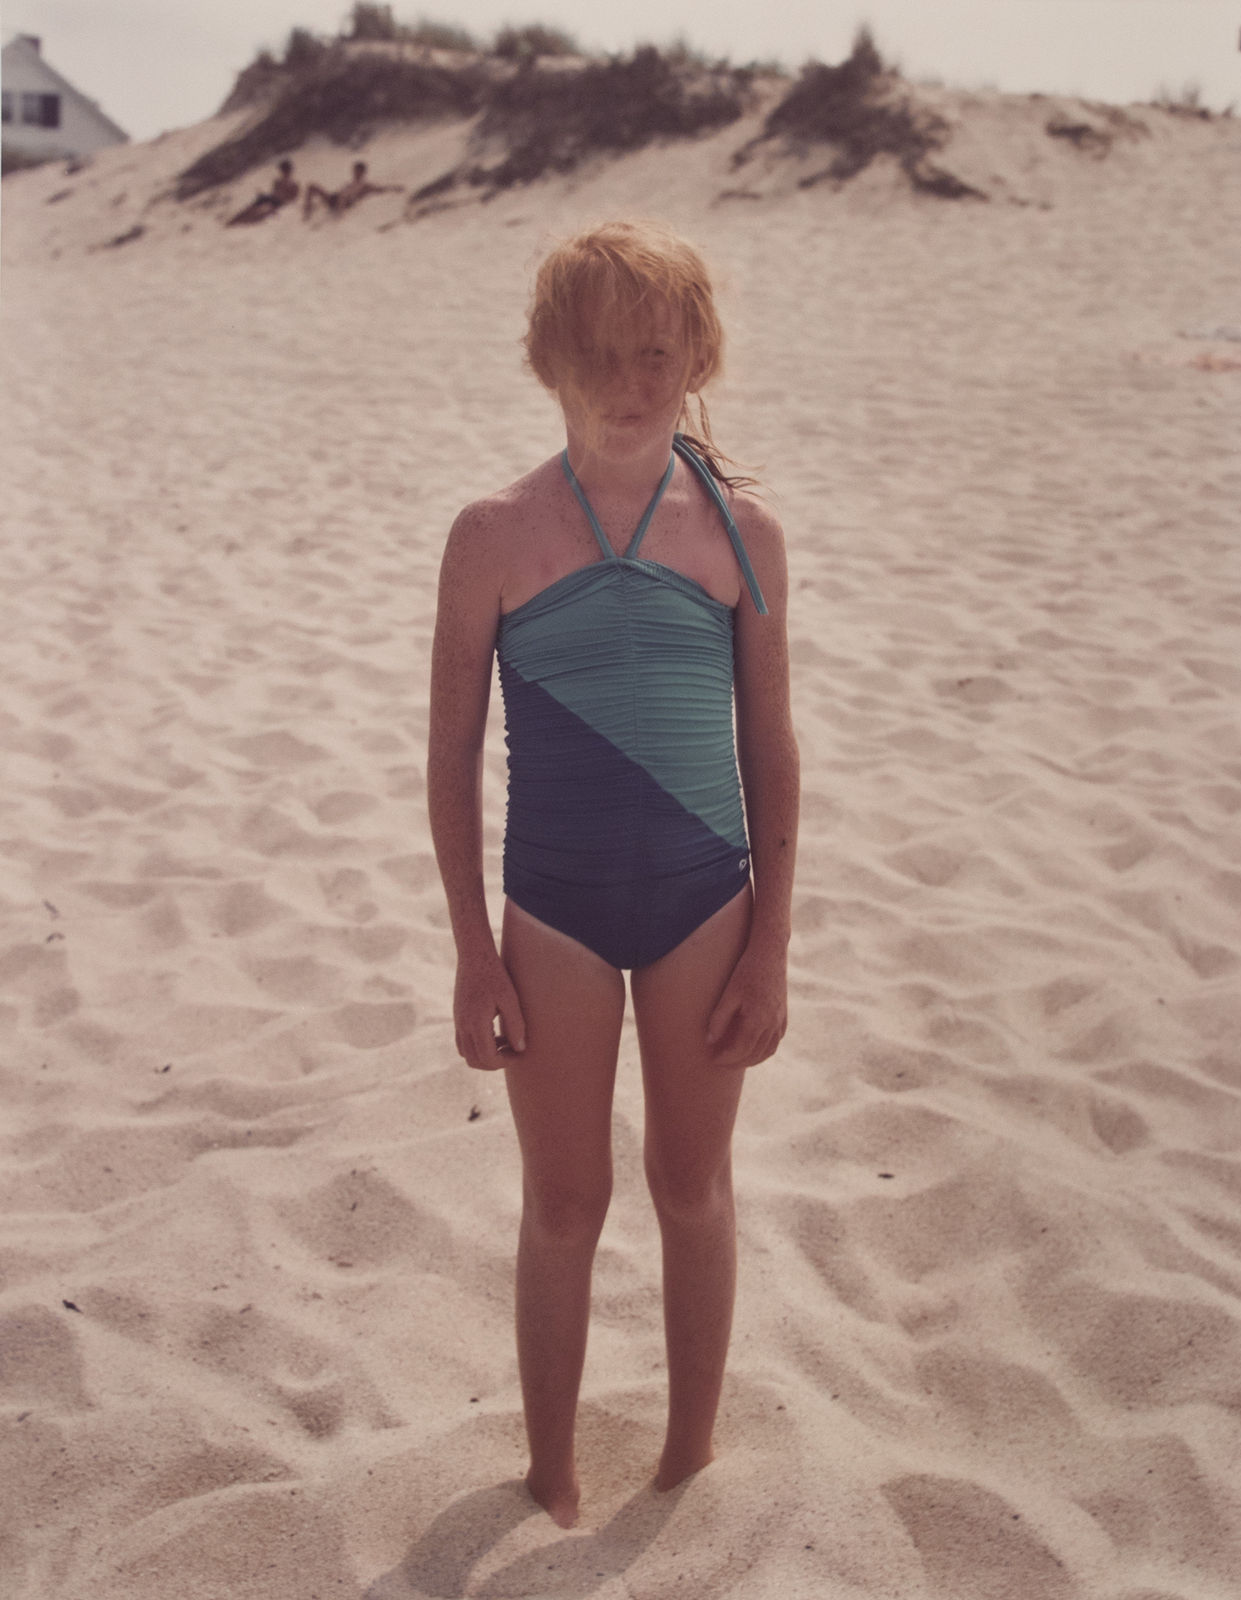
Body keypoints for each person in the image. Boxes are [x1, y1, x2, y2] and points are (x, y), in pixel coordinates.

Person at [427, 220, 799, 1529]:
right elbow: (451, 756)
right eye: (604, 358)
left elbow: (770, 744)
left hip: (707, 900)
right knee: (563, 1200)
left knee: (690, 1185)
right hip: (553, 914)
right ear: (548, 364)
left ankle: (688, 1456)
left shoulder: (742, 533)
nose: (635, 382)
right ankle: (549, 1474)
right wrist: (474, 948)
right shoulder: (493, 535)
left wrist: (770, 945)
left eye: (659, 354)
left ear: (697, 355)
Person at [302, 160, 402, 219]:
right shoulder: (349, 183)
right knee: (312, 186)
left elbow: (380, 189)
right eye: (354, 171)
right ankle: (307, 211)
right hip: (335, 198)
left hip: (347, 202)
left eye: (358, 171)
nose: (355, 173)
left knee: (343, 196)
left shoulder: (365, 185)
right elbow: (339, 192)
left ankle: (337, 216)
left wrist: (394, 188)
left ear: (363, 173)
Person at [225, 159, 298, 226]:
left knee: (261, 204)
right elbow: (274, 192)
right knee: (259, 200)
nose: (283, 173)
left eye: (285, 171)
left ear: (289, 171)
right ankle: (235, 219)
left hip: (280, 202)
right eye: (283, 171)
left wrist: (282, 200)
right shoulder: (277, 181)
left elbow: (293, 198)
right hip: (274, 199)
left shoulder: (293, 184)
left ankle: (238, 220)